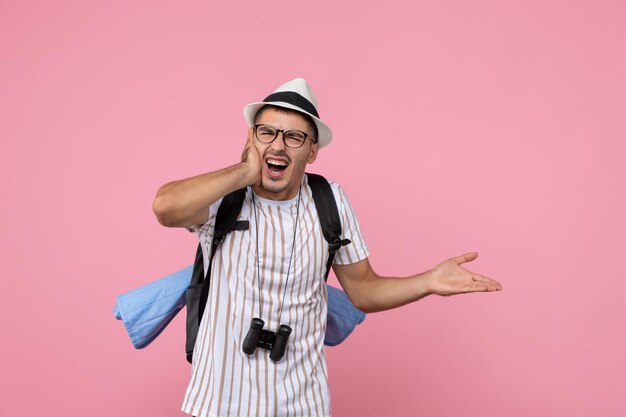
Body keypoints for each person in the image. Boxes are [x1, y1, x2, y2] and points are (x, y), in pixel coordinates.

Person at [152, 78, 502, 417]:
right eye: (267, 132)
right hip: (222, 402)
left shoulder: (329, 200)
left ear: (312, 150)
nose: (277, 146)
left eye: (293, 137)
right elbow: (165, 207)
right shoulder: (222, 195)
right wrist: (244, 173)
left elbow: (364, 291)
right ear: (251, 137)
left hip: (303, 403)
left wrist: (428, 282)